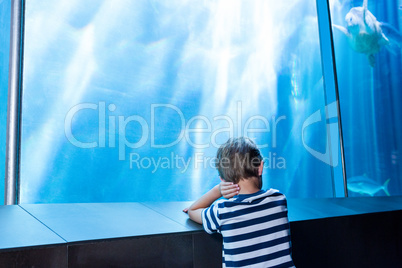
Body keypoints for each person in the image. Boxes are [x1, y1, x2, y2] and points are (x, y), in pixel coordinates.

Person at [184, 137, 295, 268]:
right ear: (260, 167)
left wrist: (218, 190)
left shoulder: (223, 211)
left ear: (223, 180)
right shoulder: (279, 199)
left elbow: (193, 210)